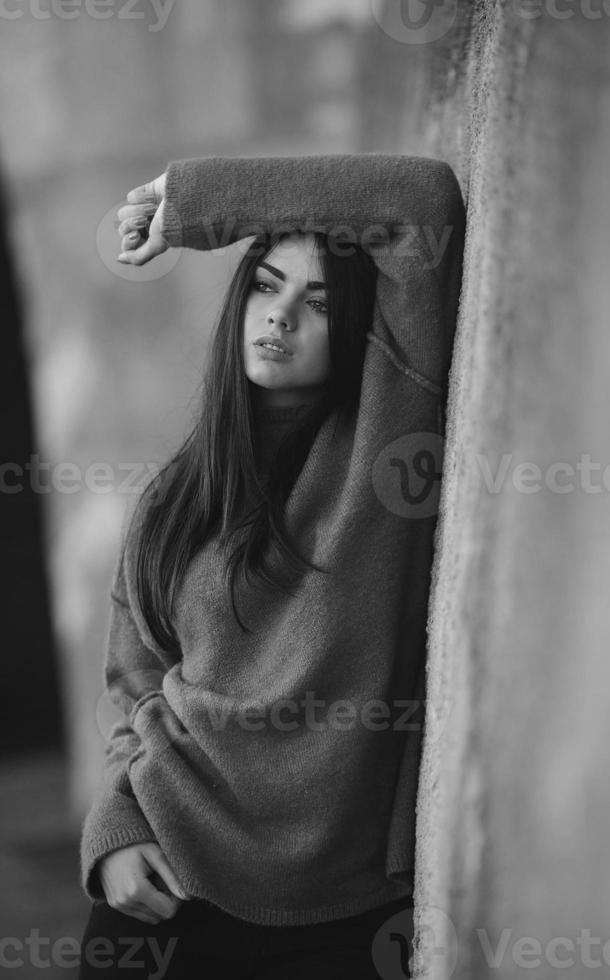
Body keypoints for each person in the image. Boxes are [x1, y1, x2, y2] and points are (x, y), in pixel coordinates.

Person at [77, 153, 465, 979]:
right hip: (170, 871)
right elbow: (133, 685)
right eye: (263, 286)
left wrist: (185, 202)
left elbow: (420, 200)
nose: (280, 316)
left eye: (317, 303)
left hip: (345, 902)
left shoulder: (387, 435)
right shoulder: (174, 500)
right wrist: (115, 823)